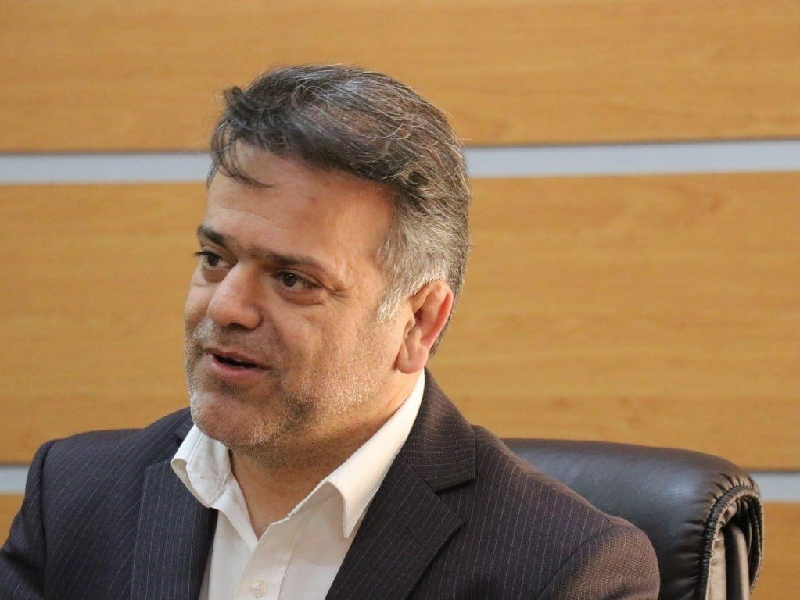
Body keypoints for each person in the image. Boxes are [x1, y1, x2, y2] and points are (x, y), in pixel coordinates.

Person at [0, 64, 659, 599]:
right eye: (215, 259)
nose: (225, 308)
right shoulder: (76, 497)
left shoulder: (564, 571)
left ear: (419, 322)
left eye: (292, 279)